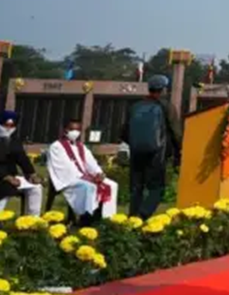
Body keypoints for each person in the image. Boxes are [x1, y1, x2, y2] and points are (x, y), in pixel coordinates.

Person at [122, 75, 182, 219]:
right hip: (157, 154)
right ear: (163, 89)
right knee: (157, 189)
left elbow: (124, 132)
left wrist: (137, 145)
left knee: (136, 188)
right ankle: (143, 215)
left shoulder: (136, 106)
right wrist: (179, 152)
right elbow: (176, 132)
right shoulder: (166, 106)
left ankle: (133, 217)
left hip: (136, 153)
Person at [47, 119, 119, 224]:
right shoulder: (56, 146)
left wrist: (98, 173)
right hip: (67, 178)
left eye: (78, 130)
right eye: (72, 129)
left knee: (112, 185)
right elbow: (66, 168)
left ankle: (106, 219)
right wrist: (88, 178)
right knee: (88, 186)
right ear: (65, 130)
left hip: (84, 176)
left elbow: (91, 162)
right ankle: (87, 218)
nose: (75, 132)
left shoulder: (80, 146)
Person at [0, 111, 43, 231]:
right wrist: (7, 177)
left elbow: (23, 159)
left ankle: (32, 222)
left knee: (36, 187)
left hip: (12, 178)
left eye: (11, 126)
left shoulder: (15, 142)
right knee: (5, 190)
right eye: (5, 125)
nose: (8, 128)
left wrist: (32, 174)